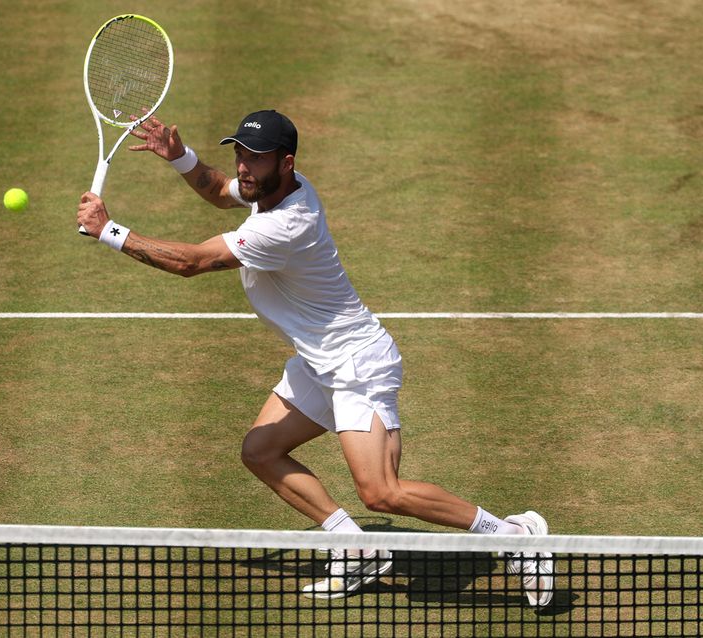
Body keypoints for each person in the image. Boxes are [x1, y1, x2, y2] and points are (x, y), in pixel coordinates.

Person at [76, 109, 554, 605]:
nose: (243, 166)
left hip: (357, 365)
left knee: (381, 493)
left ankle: (514, 535)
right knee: (260, 452)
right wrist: (181, 157)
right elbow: (219, 191)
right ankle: (356, 547)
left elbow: (192, 263)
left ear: (286, 162)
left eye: (256, 158)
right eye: (240, 153)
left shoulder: (287, 224)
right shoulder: (278, 188)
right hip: (320, 360)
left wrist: (110, 230)